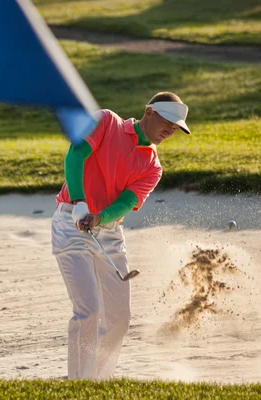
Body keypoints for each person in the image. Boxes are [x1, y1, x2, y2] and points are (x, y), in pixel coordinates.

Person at [51, 91, 191, 379]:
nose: (170, 130)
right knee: (88, 308)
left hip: (109, 233)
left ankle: (99, 382)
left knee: (119, 320)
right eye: (168, 121)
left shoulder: (153, 166)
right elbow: (75, 155)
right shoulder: (106, 122)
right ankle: (80, 385)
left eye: (176, 127)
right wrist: (80, 202)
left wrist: (99, 217)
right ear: (149, 112)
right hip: (71, 222)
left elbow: (126, 202)